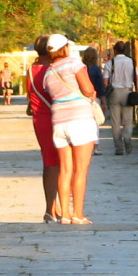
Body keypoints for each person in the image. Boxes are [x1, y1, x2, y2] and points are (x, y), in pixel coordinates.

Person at [43, 33, 99, 224]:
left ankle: (64, 215)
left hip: (59, 122)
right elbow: (88, 89)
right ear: (65, 47)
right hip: (80, 120)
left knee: (65, 170)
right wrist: (92, 94)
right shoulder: (74, 64)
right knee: (81, 170)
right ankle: (78, 214)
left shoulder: (48, 73)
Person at [25, 36, 63, 222]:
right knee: (64, 163)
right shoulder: (54, 69)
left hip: (40, 120)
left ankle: (50, 209)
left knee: (49, 163)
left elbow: (30, 96)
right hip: (58, 117)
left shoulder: (31, 70)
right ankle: (62, 208)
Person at [107, 40, 138, 156]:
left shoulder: (111, 63)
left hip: (115, 92)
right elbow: (137, 79)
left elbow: (105, 81)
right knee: (128, 120)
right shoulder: (132, 62)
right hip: (128, 93)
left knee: (115, 122)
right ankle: (128, 138)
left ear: (115, 50)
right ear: (125, 50)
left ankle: (119, 148)